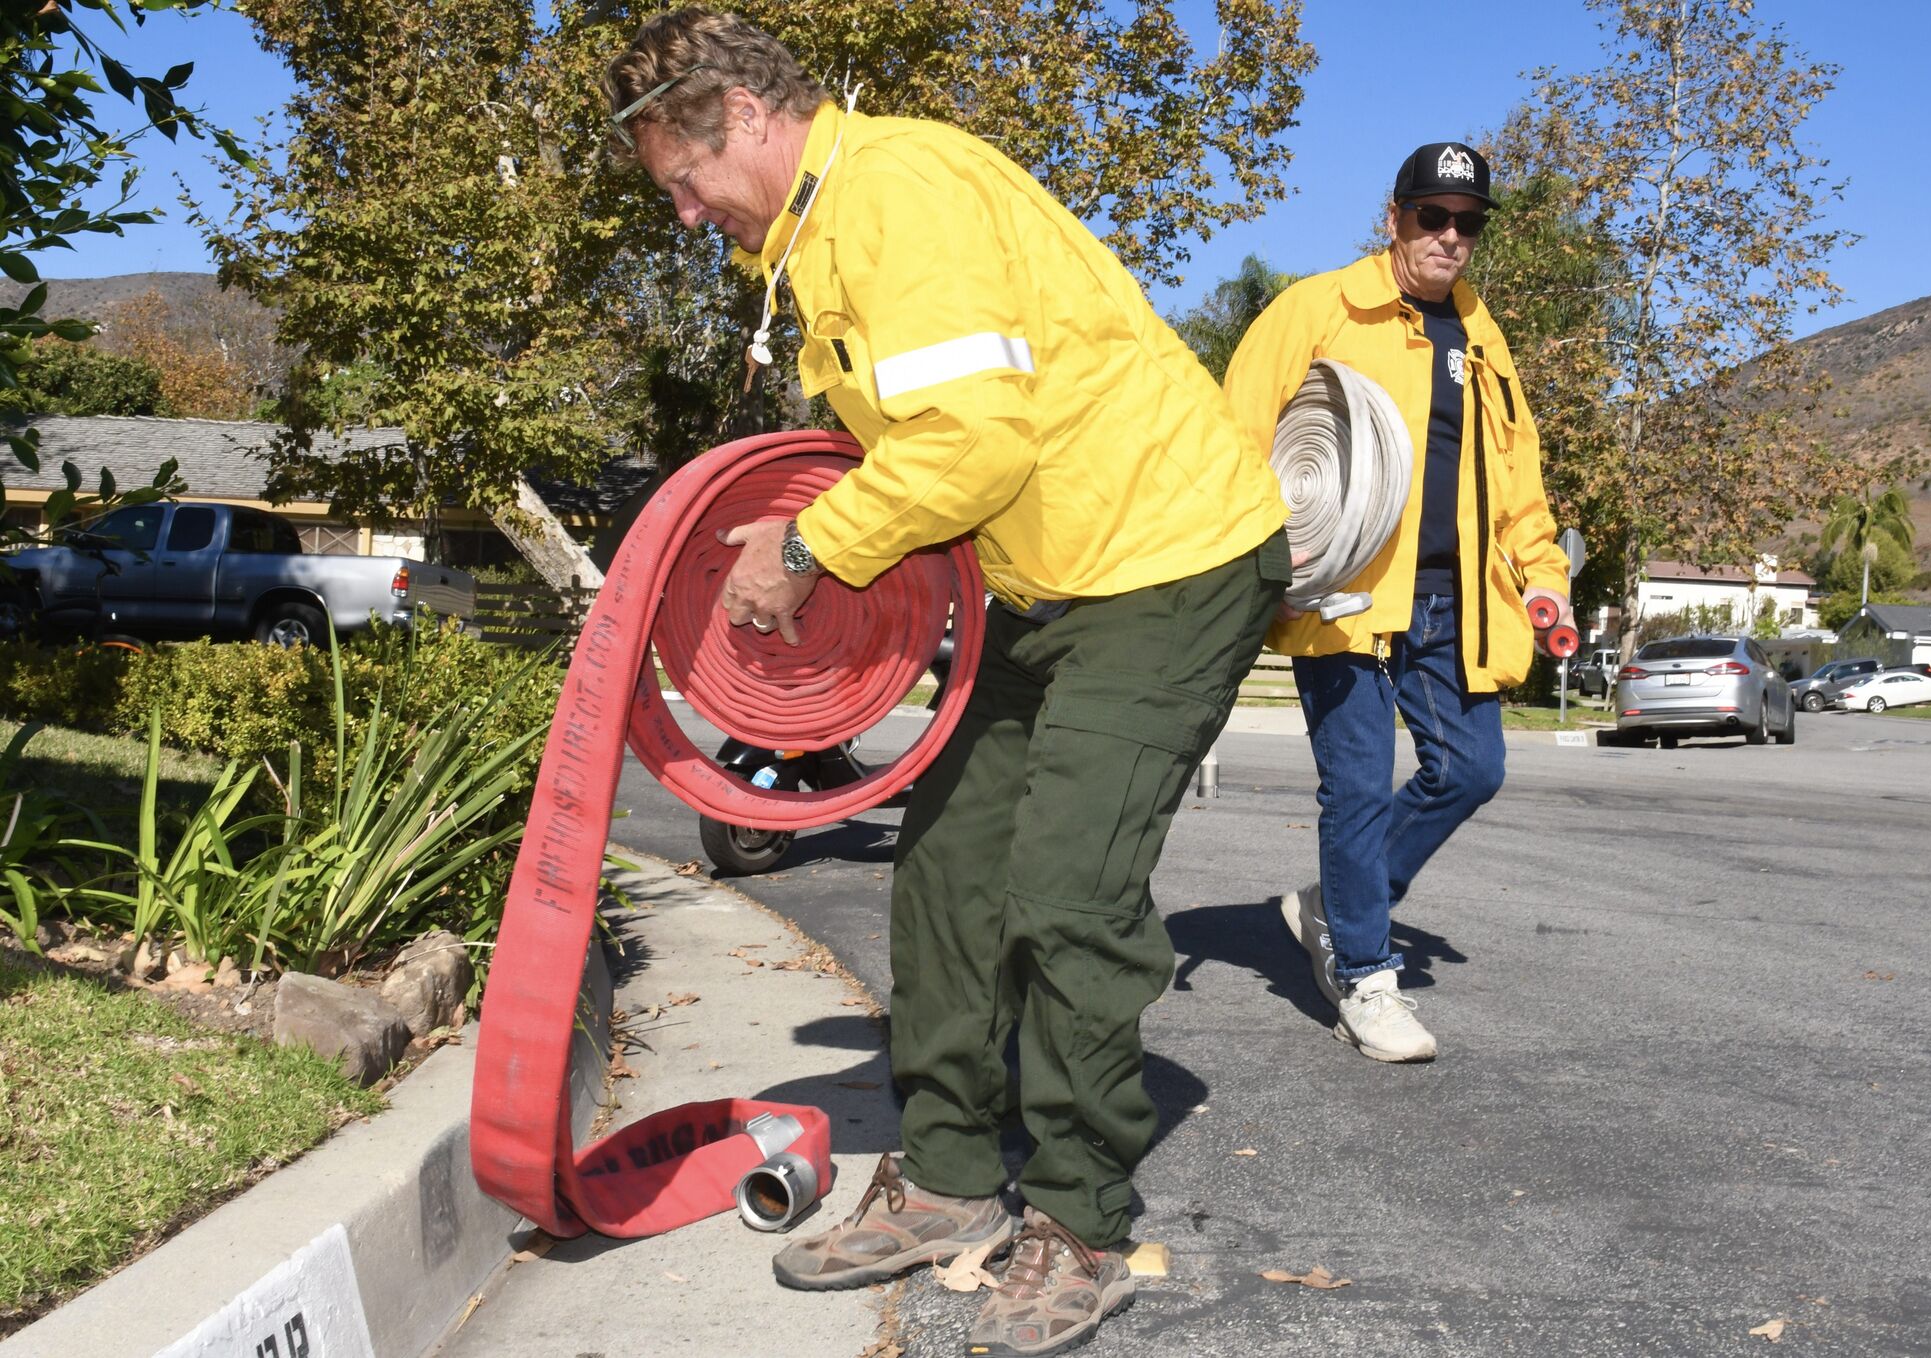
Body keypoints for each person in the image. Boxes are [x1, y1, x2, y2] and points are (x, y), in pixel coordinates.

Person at [604, 10, 1290, 1353]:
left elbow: (970, 444)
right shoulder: (823, 237)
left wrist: (810, 546)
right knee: (950, 871)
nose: (684, 214)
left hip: (1167, 562)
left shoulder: (894, 193)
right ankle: (952, 1175)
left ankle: (1083, 1215)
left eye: (683, 181)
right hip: (1043, 582)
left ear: (741, 115)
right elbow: (930, 444)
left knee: (1065, 892)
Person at [1224, 142, 1572, 1063]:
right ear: (1396, 218)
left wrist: (1544, 577)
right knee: (1357, 790)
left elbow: (1517, 480)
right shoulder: (1317, 309)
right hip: (1343, 595)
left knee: (1471, 769)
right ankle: (1365, 973)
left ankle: (1336, 903)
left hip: (1456, 603)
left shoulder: (1482, 338)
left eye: (1467, 223)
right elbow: (1235, 438)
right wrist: (1250, 556)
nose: (1449, 237)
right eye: (1433, 217)